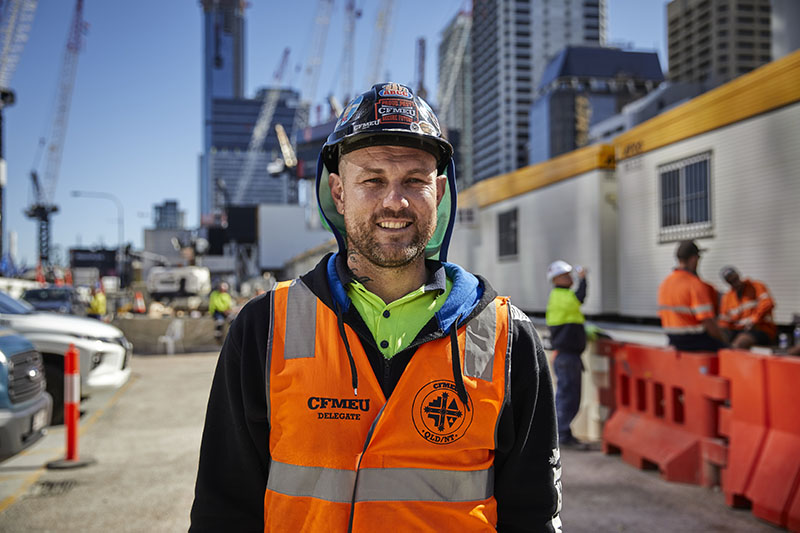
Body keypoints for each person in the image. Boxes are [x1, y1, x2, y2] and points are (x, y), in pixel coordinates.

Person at [190, 83, 562, 532]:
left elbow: (533, 516)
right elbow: (223, 510)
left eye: (414, 180)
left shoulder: (507, 338)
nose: (394, 201)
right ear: (339, 191)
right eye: (372, 180)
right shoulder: (264, 329)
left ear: (439, 192)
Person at [545, 260, 590, 450]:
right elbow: (580, 297)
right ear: (557, 279)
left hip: (565, 356)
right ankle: (562, 434)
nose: (570, 278)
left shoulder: (558, 297)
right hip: (568, 357)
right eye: (566, 276)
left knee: (565, 395)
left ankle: (562, 432)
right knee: (569, 397)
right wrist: (583, 280)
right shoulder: (563, 297)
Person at [657, 240, 728, 351]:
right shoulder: (695, 284)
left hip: (672, 338)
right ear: (693, 259)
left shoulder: (665, 283)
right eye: (699, 258)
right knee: (728, 350)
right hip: (693, 340)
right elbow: (708, 322)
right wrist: (724, 340)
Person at [718, 266, 777, 349]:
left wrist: (754, 319)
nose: (734, 281)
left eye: (734, 278)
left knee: (740, 343)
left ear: (738, 275)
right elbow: (724, 321)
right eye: (730, 280)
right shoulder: (728, 297)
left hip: (761, 329)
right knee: (720, 342)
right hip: (739, 330)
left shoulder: (756, 286)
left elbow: (767, 304)